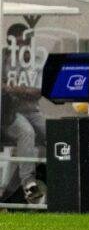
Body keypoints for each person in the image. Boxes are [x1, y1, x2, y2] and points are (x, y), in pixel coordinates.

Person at [2, 23, 45, 202]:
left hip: (31, 110)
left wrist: (16, 89)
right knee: (27, 132)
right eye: (19, 43)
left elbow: (38, 91)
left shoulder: (35, 61)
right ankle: (28, 183)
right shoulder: (3, 60)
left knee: (57, 134)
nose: (23, 47)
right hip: (9, 113)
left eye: (27, 42)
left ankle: (12, 189)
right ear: (10, 42)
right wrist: (16, 89)